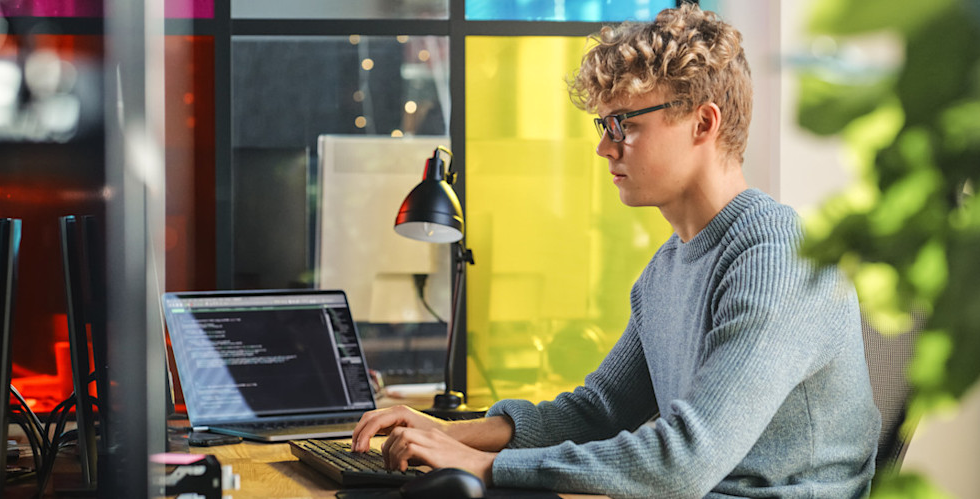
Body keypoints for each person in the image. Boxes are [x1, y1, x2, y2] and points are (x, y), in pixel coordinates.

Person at [351, 4, 880, 497]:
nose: (605, 146)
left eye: (625, 124)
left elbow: (684, 462)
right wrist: (454, 434)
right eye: (604, 125)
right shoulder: (667, 269)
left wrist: (486, 466)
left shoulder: (777, 256)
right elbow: (599, 410)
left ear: (704, 122)